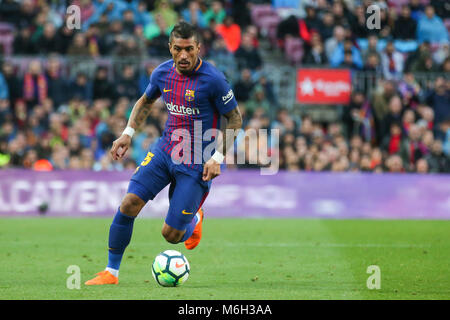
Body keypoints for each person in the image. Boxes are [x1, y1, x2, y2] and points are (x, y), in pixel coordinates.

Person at [85, 21, 243, 285]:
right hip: (165, 150)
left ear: (198, 49)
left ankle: (194, 218)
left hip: (197, 162)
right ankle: (111, 272)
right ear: (170, 48)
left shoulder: (214, 80)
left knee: (171, 234)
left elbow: (235, 119)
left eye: (189, 49)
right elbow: (146, 101)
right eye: (178, 49)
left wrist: (218, 158)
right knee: (128, 204)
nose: (183, 55)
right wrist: (128, 133)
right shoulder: (161, 74)